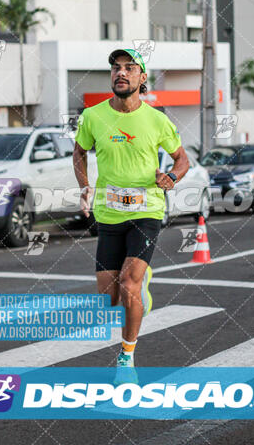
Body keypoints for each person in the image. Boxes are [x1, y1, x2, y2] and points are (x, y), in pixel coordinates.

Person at [73, 48, 189, 378]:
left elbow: (182, 159)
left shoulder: (156, 119)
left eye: (129, 68)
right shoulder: (93, 116)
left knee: (128, 284)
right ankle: (139, 292)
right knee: (108, 297)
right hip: (108, 212)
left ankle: (127, 358)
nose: (120, 73)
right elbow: (79, 153)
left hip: (146, 209)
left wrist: (171, 178)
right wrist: (85, 186)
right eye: (115, 68)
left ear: (141, 79)